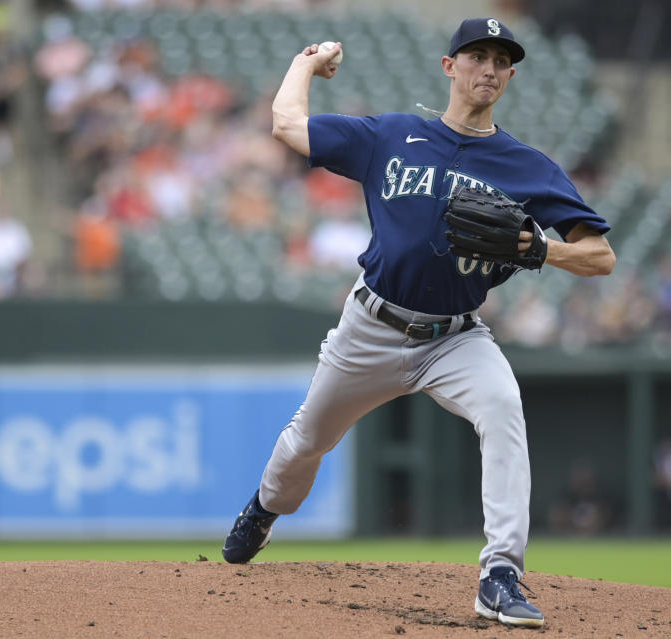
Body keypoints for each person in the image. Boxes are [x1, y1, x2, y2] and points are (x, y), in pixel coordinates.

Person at [221, 18, 616, 628]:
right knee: (309, 440)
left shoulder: (526, 166)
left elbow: (600, 256)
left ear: (510, 76)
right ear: (448, 66)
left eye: (500, 60)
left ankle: (501, 575)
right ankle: (265, 511)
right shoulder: (391, 136)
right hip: (370, 327)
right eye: (476, 55)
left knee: (504, 409)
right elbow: (286, 125)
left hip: (455, 337)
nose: (488, 68)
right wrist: (307, 63)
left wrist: (541, 249)